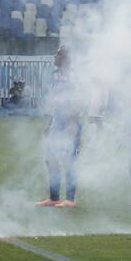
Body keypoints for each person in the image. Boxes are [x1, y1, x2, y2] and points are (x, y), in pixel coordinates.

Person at [36, 46, 82, 208]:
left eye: (58, 54)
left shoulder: (74, 76)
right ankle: (54, 198)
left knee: (69, 161)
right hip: (57, 121)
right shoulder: (54, 75)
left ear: (66, 58)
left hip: (70, 122)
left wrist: (73, 123)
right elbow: (54, 101)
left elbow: (78, 100)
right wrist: (50, 123)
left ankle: (70, 199)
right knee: (50, 159)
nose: (55, 56)